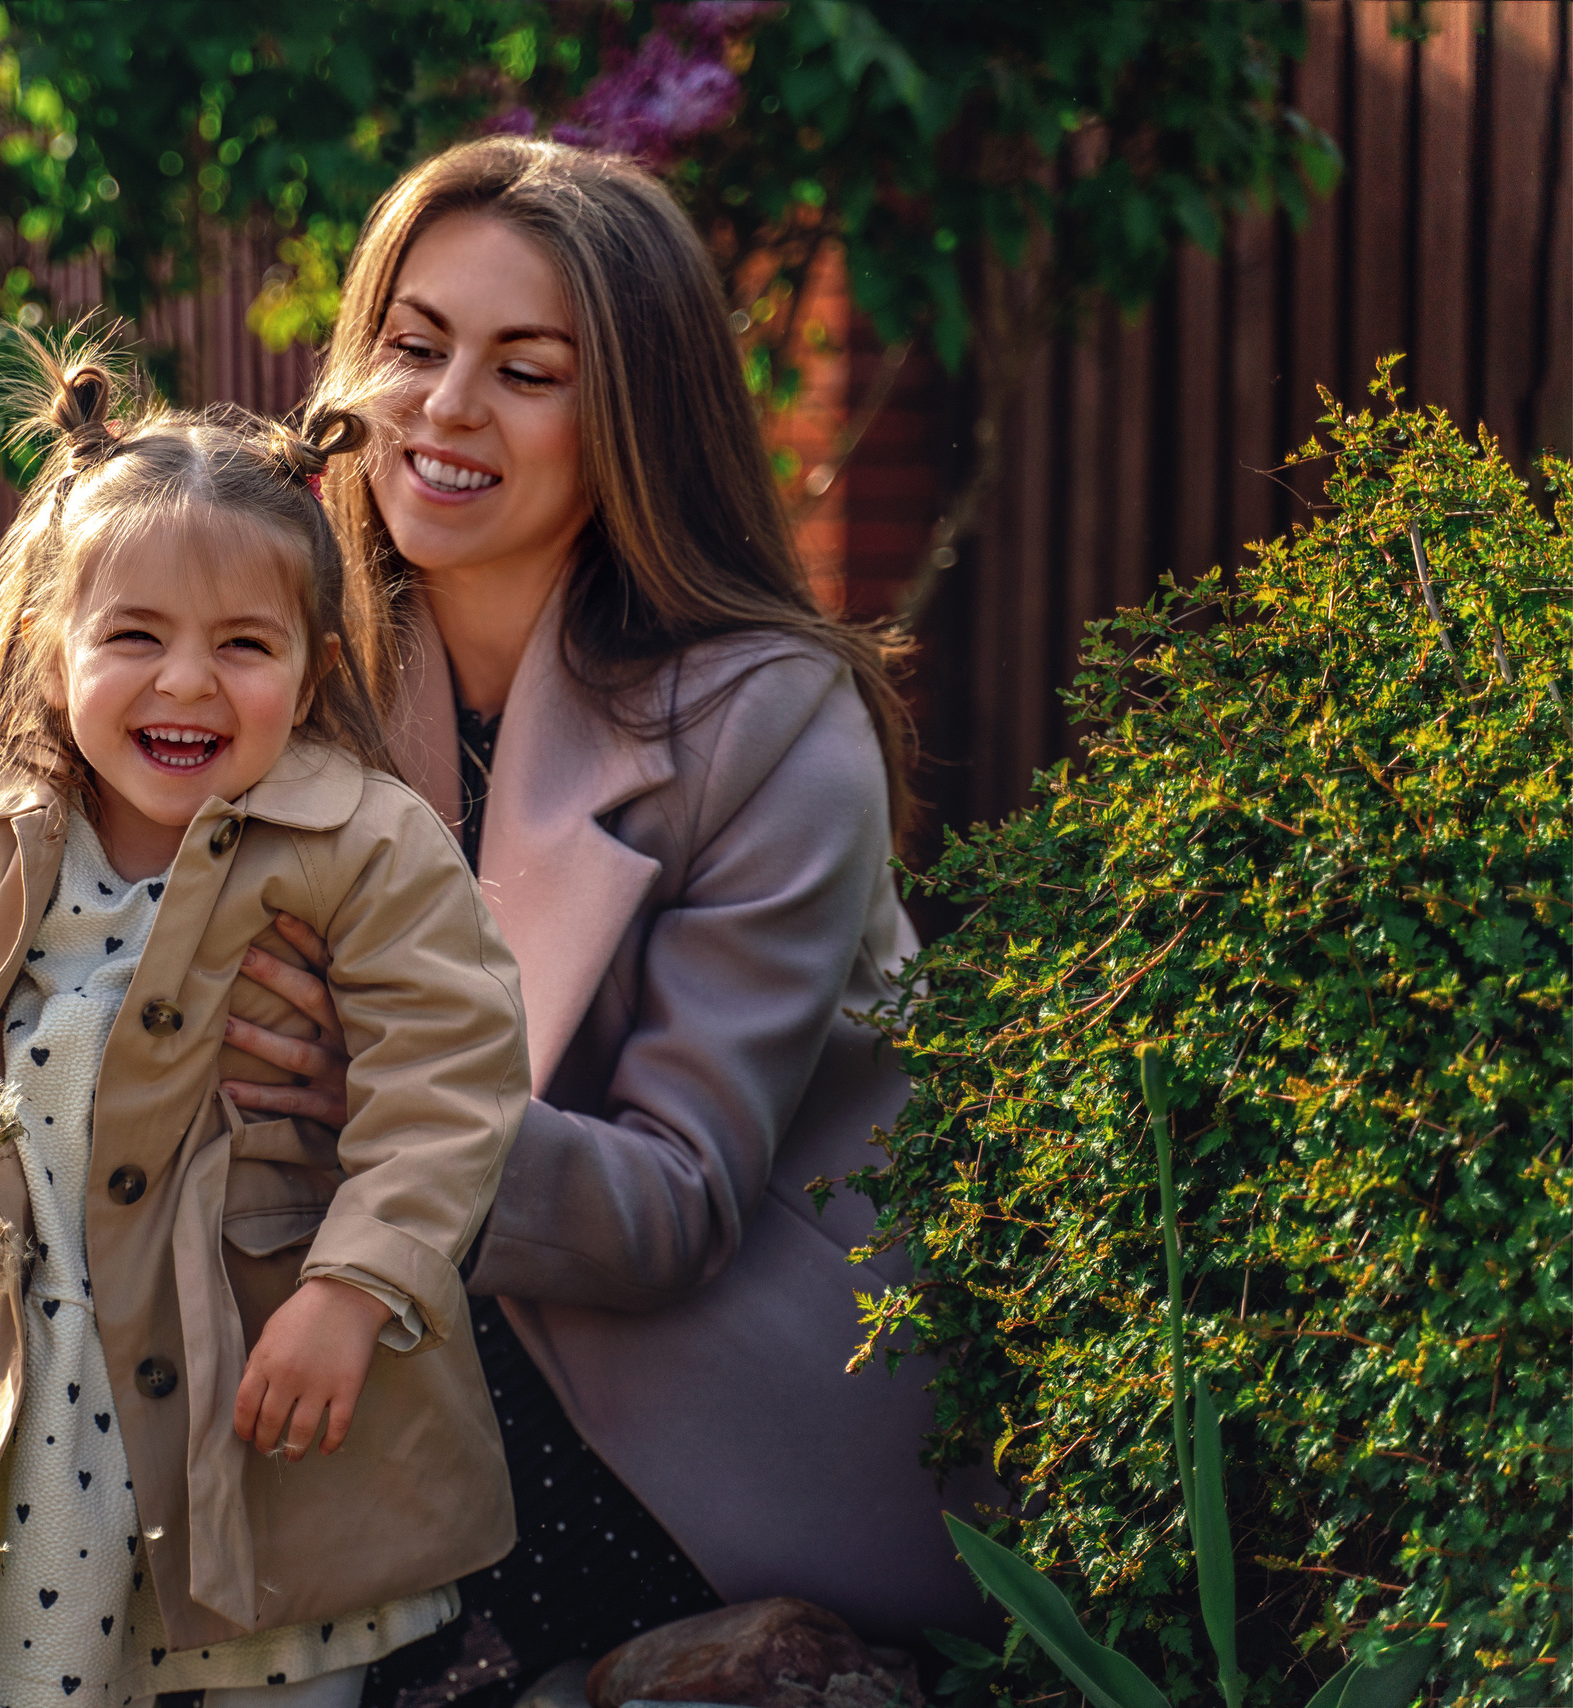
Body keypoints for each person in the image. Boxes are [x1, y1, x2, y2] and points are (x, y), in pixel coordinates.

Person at [212, 137, 996, 1706]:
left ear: (631, 417)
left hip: (685, 1398)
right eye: (416, 347)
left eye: (528, 371)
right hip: (378, 1328)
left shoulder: (777, 728)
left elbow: (671, 1207)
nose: (444, 409)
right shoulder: (290, 663)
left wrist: (383, 1099)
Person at [0, 339, 533, 1708]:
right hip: (48, 1360)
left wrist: (354, 1289)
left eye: (243, 646)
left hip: (257, 1362)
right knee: (55, 1656)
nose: (187, 683)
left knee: (273, 1648)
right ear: (50, 647)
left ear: (309, 677)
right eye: (134, 637)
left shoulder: (362, 844)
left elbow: (450, 1079)